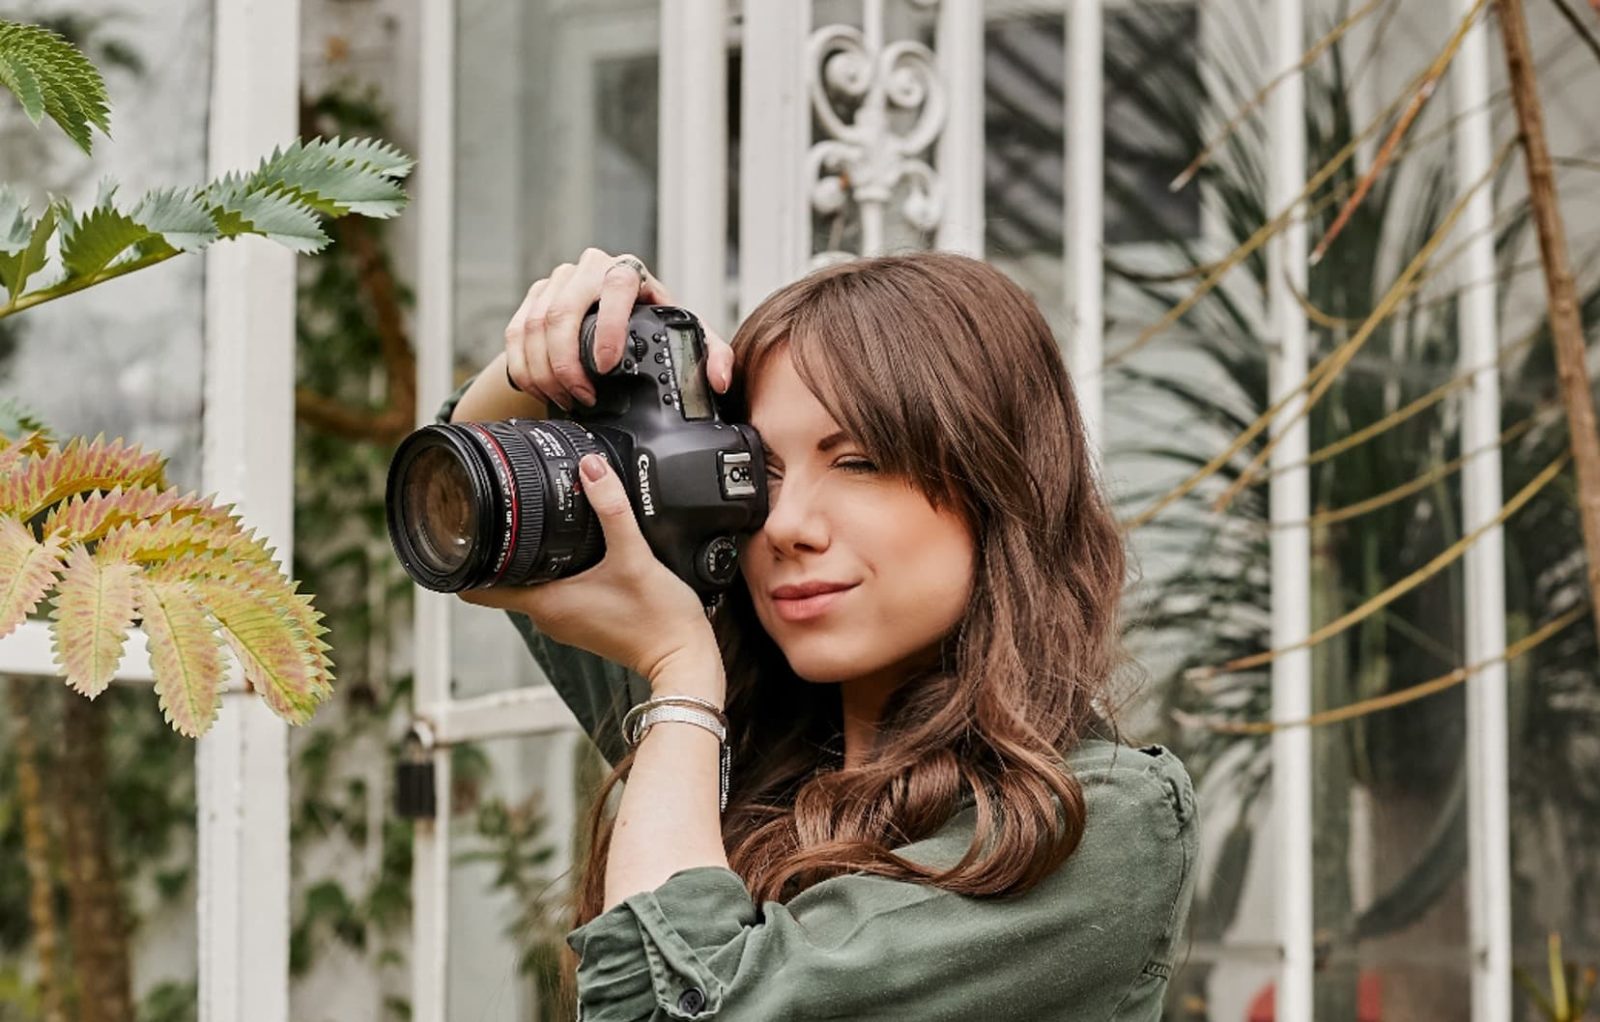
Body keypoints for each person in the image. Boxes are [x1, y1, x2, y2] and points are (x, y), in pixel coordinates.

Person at [437, 246, 1198, 1021]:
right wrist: (568, 352)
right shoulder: (749, 724)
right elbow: (480, 543)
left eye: (859, 462)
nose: (789, 524)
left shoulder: (1091, 822)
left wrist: (681, 679)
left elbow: (679, 1010)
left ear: (1001, 486)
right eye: (761, 471)